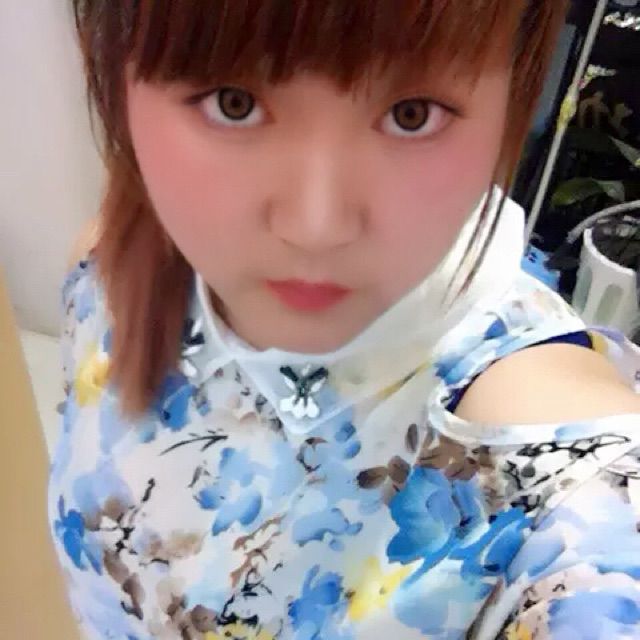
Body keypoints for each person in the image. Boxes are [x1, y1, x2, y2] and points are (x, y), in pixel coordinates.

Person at [50, 1, 640, 638]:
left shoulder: (561, 491)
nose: (317, 227)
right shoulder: (109, 266)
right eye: (233, 103)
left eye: (411, 114)